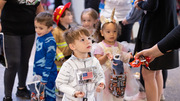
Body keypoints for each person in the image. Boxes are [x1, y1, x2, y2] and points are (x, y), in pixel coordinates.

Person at [133, 0, 179, 101]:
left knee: (148, 73)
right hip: (166, 26)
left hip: (154, 30)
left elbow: (152, 5)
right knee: (157, 70)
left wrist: (139, 4)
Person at [0, 0, 44, 101]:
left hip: (29, 30)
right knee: (13, 62)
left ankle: (21, 88)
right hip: (10, 30)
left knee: (24, 61)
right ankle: (7, 96)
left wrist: (48, 24)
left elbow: (39, 9)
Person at [93, 9, 134, 101]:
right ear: (102, 33)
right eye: (108, 32)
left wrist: (128, 56)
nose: (112, 34)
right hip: (105, 74)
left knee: (117, 94)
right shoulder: (100, 46)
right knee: (105, 95)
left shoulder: (120, 46)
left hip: (118, 75)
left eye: (114, 31)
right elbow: (98, 61)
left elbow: (123, 56)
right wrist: (106, 56)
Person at [55, 26, 105, 101]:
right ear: (72, 46)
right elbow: (60, 84)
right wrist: (73, 92)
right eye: (82, 40)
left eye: (89, 38)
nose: (88, 41)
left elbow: (100, 76)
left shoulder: (94, 61)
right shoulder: (68, 65)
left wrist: (101, 83)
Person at [33, 11, 57, 101]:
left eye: (41, 28)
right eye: (36, 27)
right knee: (40, 95)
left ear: (50, 28)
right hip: (38, 72)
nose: (37, 30)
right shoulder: (40, 37)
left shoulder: (50, 41)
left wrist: (45, 77)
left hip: (48, 74)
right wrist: (35, 72)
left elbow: (49, 61)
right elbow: (37, 56)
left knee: (49, 95)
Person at [52, 2, 73, 97]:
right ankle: (59, 90)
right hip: (60, 61)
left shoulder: (71, 30)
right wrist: (60, 56)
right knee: (60, 75)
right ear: (60, 18)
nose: (71, 16)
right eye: (68, 14)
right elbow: (54, 46)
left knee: (69, 74)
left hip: (70, 58)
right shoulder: (56, 32)